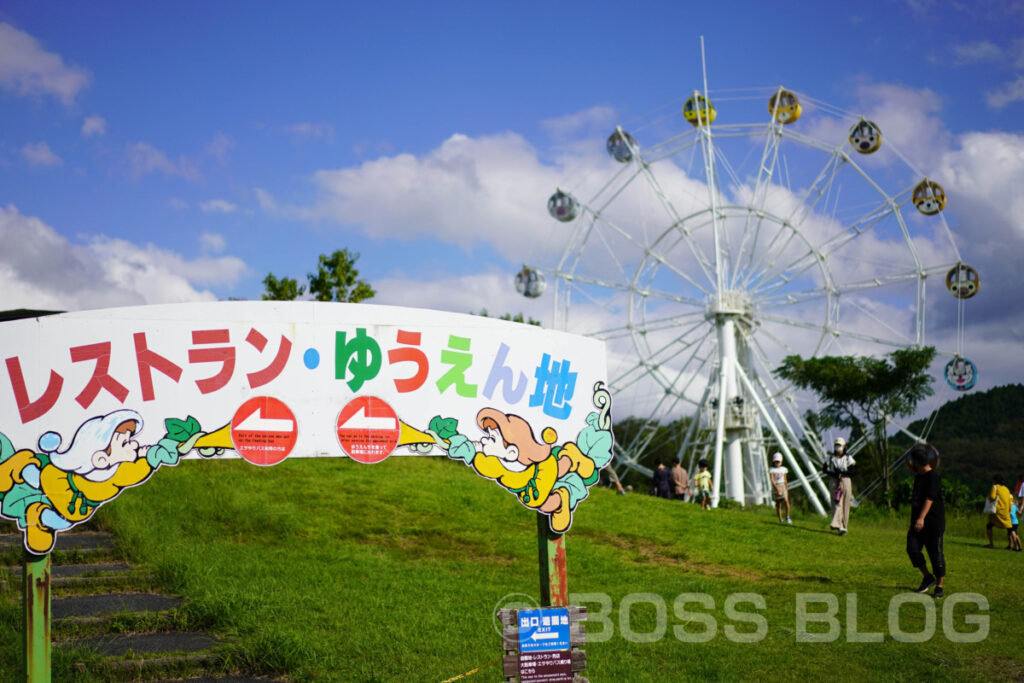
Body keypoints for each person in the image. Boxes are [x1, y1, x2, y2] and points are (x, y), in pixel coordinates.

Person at [905, 444, 945, 599]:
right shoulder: (919, 476)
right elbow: (908, 466)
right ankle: (928, 577)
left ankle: (939, 586)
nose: (911, 464)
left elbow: (930, 499)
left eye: (913, 461)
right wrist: (909, 454)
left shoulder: (933, 477)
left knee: (936, 554)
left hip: (933, 522)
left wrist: (921, 518)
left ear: (918, 462)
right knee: (912, 549)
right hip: (917, 522)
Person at [824, 437, 856, 535]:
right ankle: (838, 525)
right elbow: (824, 469)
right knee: (837, 502)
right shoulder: (830, 458)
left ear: (844, 446)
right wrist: (834, 474)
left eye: (839, 445)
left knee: (845, 504)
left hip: (845, 481)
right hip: (834, 481)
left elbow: (853, 471)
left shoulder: (848, 458)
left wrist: (842, 473)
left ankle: (843, 526)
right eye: (836, 445)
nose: (838, 447)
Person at [985, 475, 1014, 548]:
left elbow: (992, 497)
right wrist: (1009, 510)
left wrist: (988, 496)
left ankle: (991, 544)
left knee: (989, 525)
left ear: (995, 481)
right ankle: (1012, 545)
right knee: (1010, 529)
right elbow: (1009, 500)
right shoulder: (1006, 489)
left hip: (997, 512)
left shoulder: (995, 487)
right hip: (1006, 512)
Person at [768, 453, 791, 524]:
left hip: (783, 486)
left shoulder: (784, 469)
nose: (777, 463)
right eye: (776, 461)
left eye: (778, 461)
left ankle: (787, 517)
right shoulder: (771, 470)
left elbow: (785, 479)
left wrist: (786, 488)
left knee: (786, 501)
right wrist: (776, 488)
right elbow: (772, 480)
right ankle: (780, 519)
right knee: (778, 504)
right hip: (776, 486)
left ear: (781, 462)